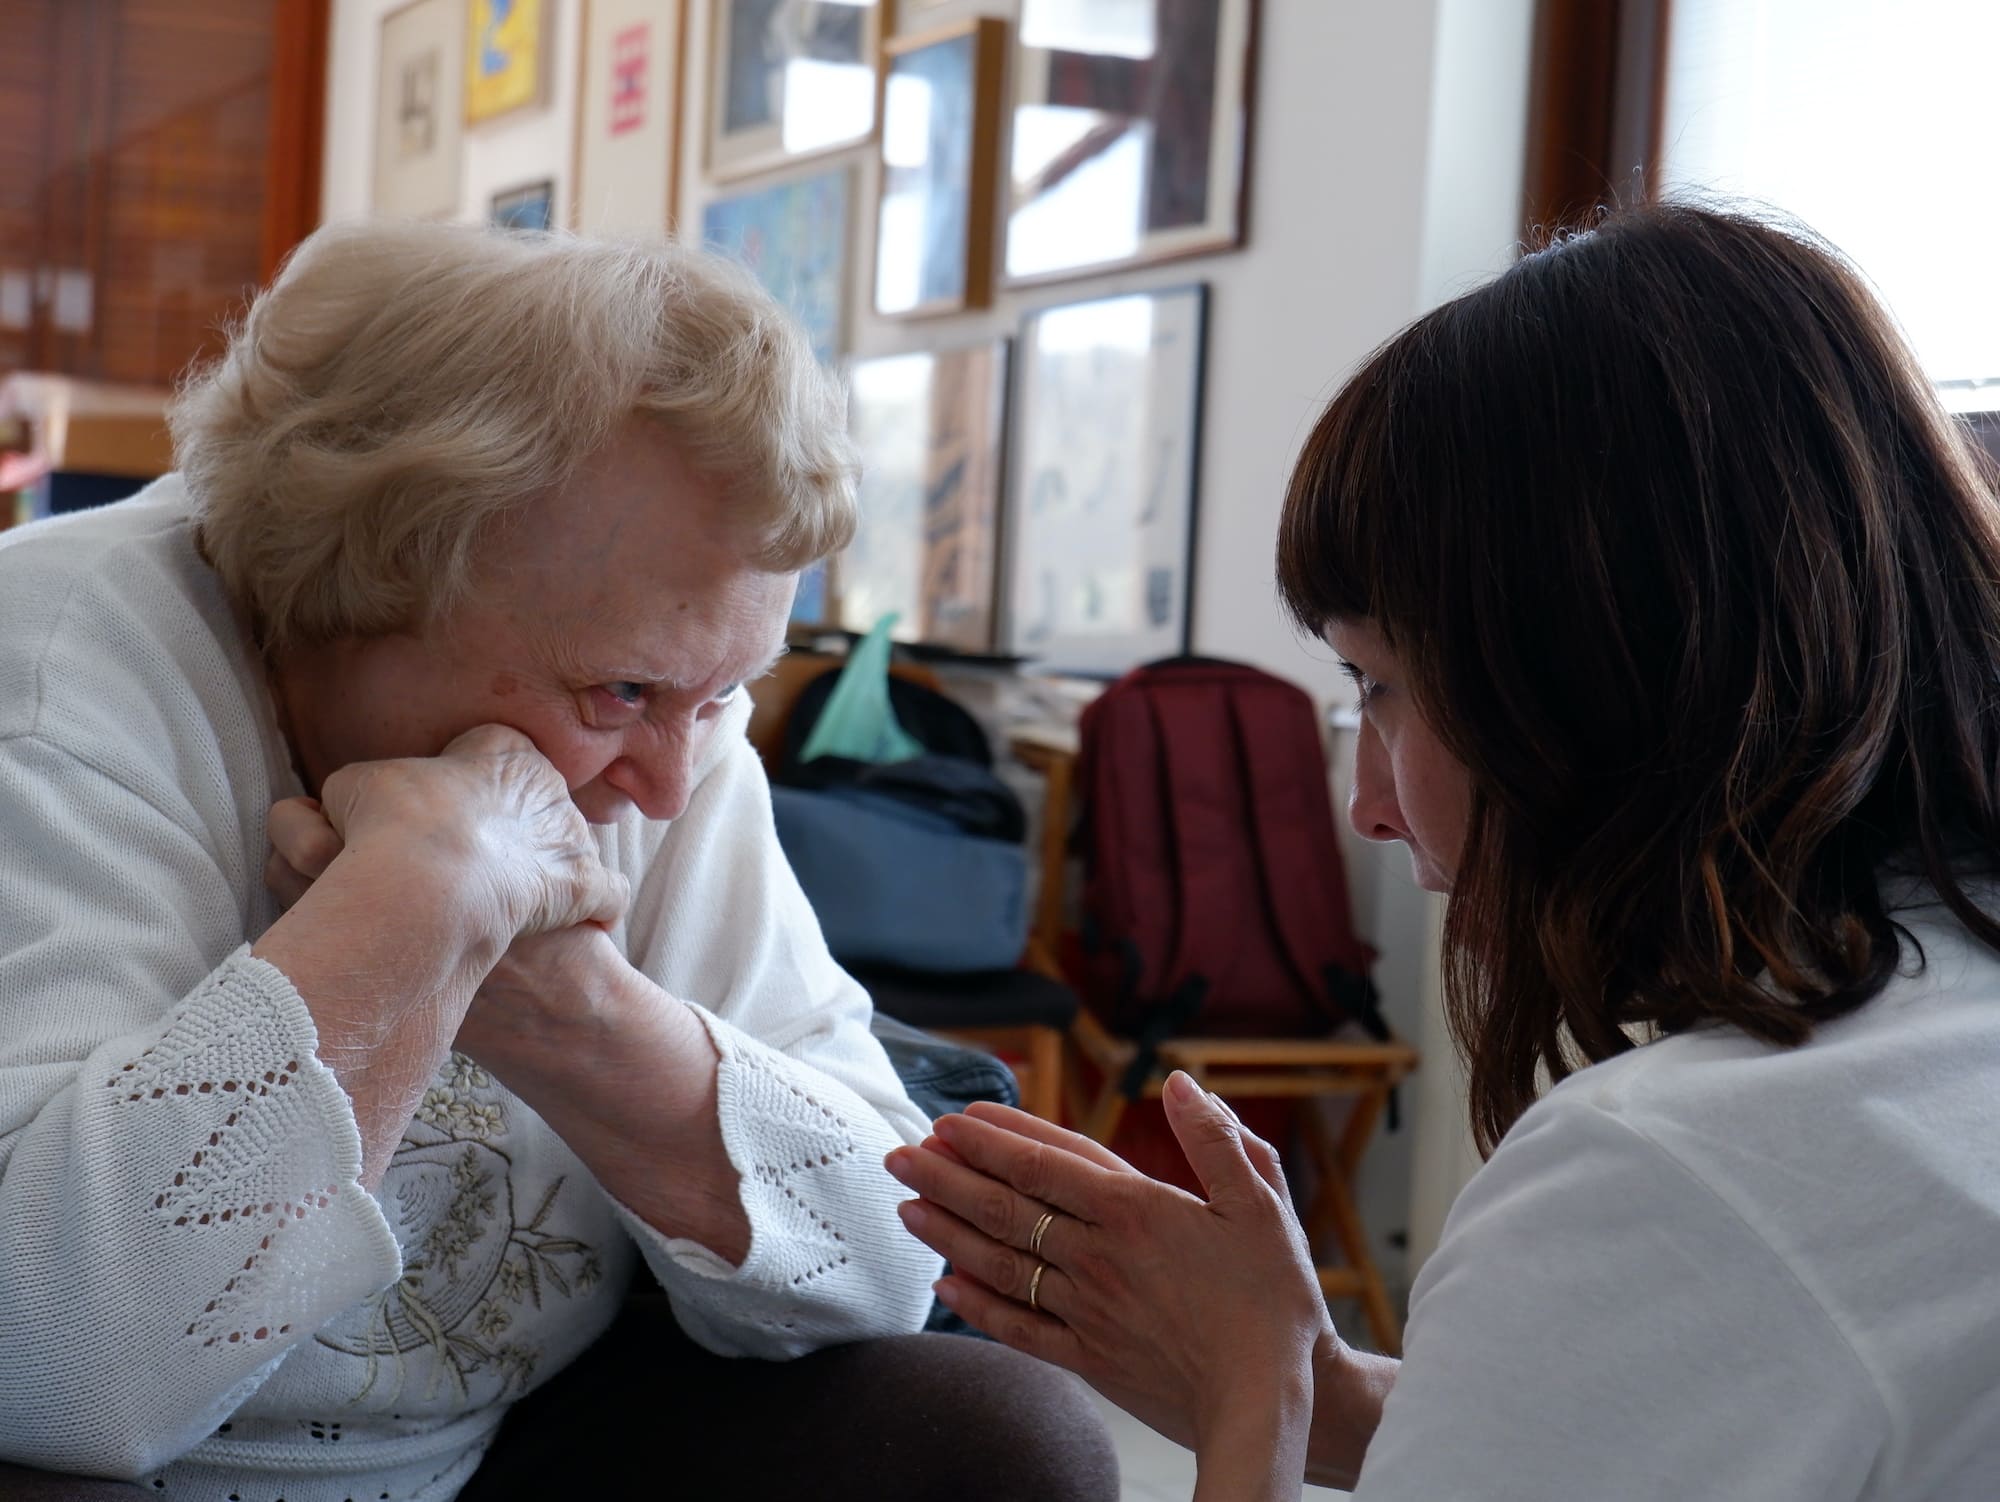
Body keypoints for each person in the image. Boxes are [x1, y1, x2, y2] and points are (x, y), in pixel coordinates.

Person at [887, 201, 2000, 1500]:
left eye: (1379, 683)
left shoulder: (1678, 1171)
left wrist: (1251, 1394)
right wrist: (1321, 1379)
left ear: (1587, 675)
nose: (1365, 801)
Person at [0, 221, 1115, 1502]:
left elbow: (892, 1256)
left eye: (721, 695)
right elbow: (58, 1364)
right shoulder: (58, 674)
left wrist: (568, 1009)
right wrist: (416, 908)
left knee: (998, 1437)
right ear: (347, 582)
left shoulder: (672, 724)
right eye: (619, 690)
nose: (662, 782)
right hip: (132, 1473)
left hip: (504, 1445)